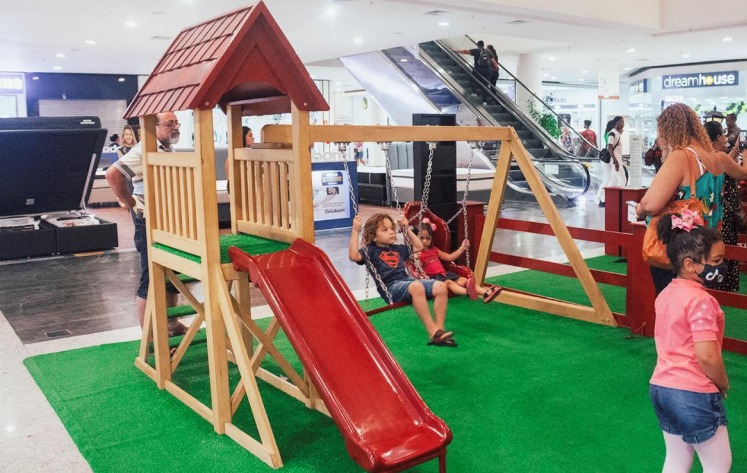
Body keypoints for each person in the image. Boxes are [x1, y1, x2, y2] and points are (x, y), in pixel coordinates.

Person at [649, 212, 731, 472]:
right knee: (718, 464)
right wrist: (722, 382)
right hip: (693, 393)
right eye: (716, 261)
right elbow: (707, 355)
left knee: (676, 458)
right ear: (690, 264)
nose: (722, 267)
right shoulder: (701, 301)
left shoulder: (665, 294)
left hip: (661, 388)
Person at [105, 111, 187, 336]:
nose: (175, 127)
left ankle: (171, 324)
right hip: (148, 220)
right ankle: (149, 338)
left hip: (167, 220)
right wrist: (128, 200)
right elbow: (112, 174)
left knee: (170, 272)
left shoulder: (166, 149)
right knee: (150, 277)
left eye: (176, 123)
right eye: (169, 124)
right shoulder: (143, 150)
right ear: (155, 126)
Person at [636, 103, 725, 294]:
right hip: (705, 245)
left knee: (672, 303)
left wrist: (639, 209)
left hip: (679, 249)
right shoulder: (714, 157)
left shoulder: (682, 156)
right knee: (695, 302)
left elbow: (651, 204)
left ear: (669, 129)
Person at [349, 213, 456, 347]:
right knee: (416, 286)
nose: (391, 232)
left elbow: (419, 246)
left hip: (407, 282)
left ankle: (440, 331)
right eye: (385, 230)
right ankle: (433, 332)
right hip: (390, 288)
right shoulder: (370, 250)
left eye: (392, 229)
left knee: (440, 286)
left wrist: (406, 229)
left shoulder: (398, 249)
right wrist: (355, 230)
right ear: (373, 236)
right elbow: (353, 256)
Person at [704, 120, 747, 292]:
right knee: (724, 248)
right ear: (717, 137)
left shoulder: (706, 155)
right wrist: (745, 153)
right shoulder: (719, 156)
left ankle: (709, 283)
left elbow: (727, 164)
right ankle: (723, 287)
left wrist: (736, 149)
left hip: (709, 210)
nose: (725, 137)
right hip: (724, 211)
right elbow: (743, 173)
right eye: (722, 134)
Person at [416, 220, 501, 303]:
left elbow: (450, 257)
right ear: (415, 238)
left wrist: (462, 248)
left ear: (431, 239)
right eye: (421, 238)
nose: (425, 241)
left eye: (428, 238)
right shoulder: (416, 253)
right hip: (434, 278)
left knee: (464, 280)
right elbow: (416, 269)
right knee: (449, 283)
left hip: (445, 274)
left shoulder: (434, 250)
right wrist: (416, 258)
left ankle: (486, 293)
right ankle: (467, 292)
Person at [594, 116, 627, 207]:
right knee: (622, 179)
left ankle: (604, 199)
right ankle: (618, 199)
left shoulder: (616, 133)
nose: (623, 124)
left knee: (613, 179)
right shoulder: (612, 133)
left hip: (616, 159)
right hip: (614, 160)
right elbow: (609, 147)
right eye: (621, 122)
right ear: (616, 123)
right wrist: (615, 161)